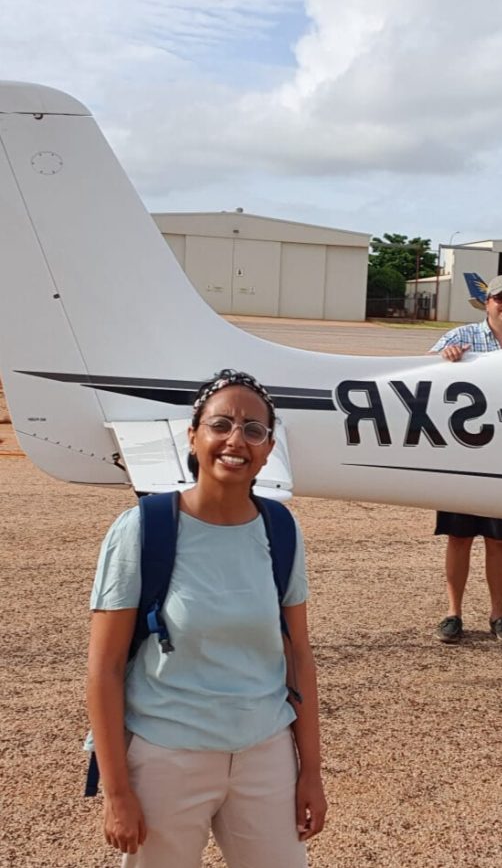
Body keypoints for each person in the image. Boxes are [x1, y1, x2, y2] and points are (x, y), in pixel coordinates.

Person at [86, 369, 326, 865]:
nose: (236, 440)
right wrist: (117, 794)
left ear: (268, 447)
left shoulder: (280, 529)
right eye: (221, 425)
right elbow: (104, 669)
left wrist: (310, 773)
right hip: (166, 757)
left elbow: (298, 655)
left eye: (253, 429)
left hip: (266, 752)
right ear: (193, 436)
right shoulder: (142, 530)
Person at [429, 274, 502, 645]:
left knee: (498, 540)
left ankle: (498, 614)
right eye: (499, 298)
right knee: (458, 536)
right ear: (487, 302)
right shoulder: (460, 338)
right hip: (464, 456)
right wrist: (445, 360)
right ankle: (452, 613)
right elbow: (420, 377)